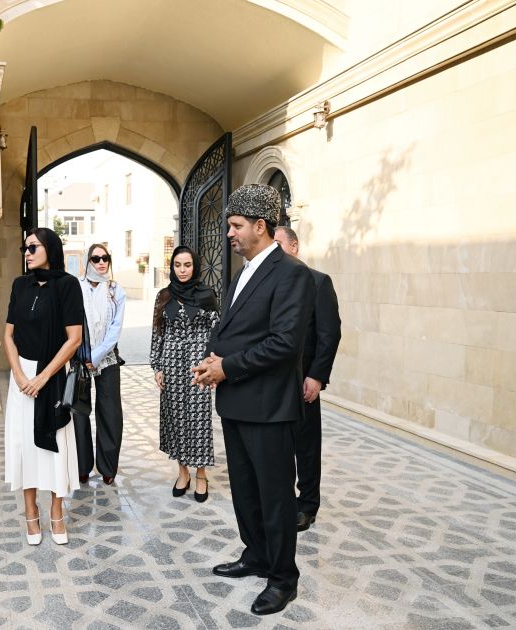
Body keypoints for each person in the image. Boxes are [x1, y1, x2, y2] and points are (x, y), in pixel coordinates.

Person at [192, 184, 314, 616]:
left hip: (268, 407)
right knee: (245, 492)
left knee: (275, 496)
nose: (229, 233)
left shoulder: (293, 274)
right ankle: (256, 555)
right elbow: (233, 331)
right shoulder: (241, 272)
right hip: (236, 402)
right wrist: (212, 359)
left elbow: (284, 343)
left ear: (261, 227)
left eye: (236, 225)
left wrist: (227, 367)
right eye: (229, 225)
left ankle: (283, 579)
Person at [3, 228, 84, 546]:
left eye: (33, 247)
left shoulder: (67, 285)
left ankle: (57, 511)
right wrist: (21, 376)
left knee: (55, 446)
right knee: (24, 444)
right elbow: (8, 335)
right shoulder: (19, 285)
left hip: (52, 375)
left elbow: (74, 338)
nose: (27, 252)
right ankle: (30, 514)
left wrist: (43, 377)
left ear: (50, 249)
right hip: (21, 377)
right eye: (24, 247)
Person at [273, 226, 341, 532]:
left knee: (307, 446)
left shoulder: (318, 281)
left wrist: (316, 376)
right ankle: (283, 499)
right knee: (279, 445)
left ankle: (308, 504)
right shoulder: (271, 283)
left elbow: (329, 335)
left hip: (304, 382)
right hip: (274, 381)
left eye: (278, 245)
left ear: (294, 247)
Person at [150, 245, 219, 502]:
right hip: (171, 366)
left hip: (197, 365)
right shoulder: (164, 296)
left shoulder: (207, 295)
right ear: (172, 267)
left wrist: (211, 365)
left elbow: (216, 332)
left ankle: (200, 474)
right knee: (175, 419)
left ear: (195, 266)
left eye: (187, 265)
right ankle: (182, 471)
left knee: (198, 419)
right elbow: (157, 332)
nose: (182, 270)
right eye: (177, 265)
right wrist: (157, 366)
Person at [72, 244, 126, 486]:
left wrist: (95, 356)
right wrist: (83, 355)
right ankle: (82, 466)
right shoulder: (75, 288)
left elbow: (115, 330)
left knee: (110, 412)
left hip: (107, 358)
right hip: (78, 357)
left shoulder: (115, 290)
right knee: (79, 412)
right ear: (88, 261)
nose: (102, 262)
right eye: (96, 258)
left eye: (106, 257)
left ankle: (107, 467)